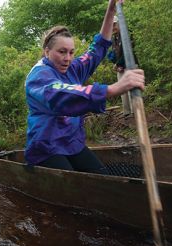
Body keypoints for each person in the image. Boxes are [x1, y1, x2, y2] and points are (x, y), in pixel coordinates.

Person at [24, 0, 145, 174]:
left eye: (71, 52)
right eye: (62, 51)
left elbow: (97, 49)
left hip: (71, 142)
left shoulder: (72, 68)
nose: (68, 58)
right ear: (47, 51)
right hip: (46, 145)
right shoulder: (38, 76)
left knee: (102, 176)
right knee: (73, 184)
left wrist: (110, 10)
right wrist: (114, 88)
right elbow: (60, 95)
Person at [108, 15, 135, 116]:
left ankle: (134, 111)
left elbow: (128, 51)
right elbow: (115, 53)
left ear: (119, 23)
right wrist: (114, 62)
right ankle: (127, 111)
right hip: (120, 67)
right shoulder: (114, 37)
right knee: (122, 89)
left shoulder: (127, 33)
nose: (113, 27)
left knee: (131, 88)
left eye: (114, 24)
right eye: (111, 25)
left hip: (130, 65)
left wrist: (118, 63)